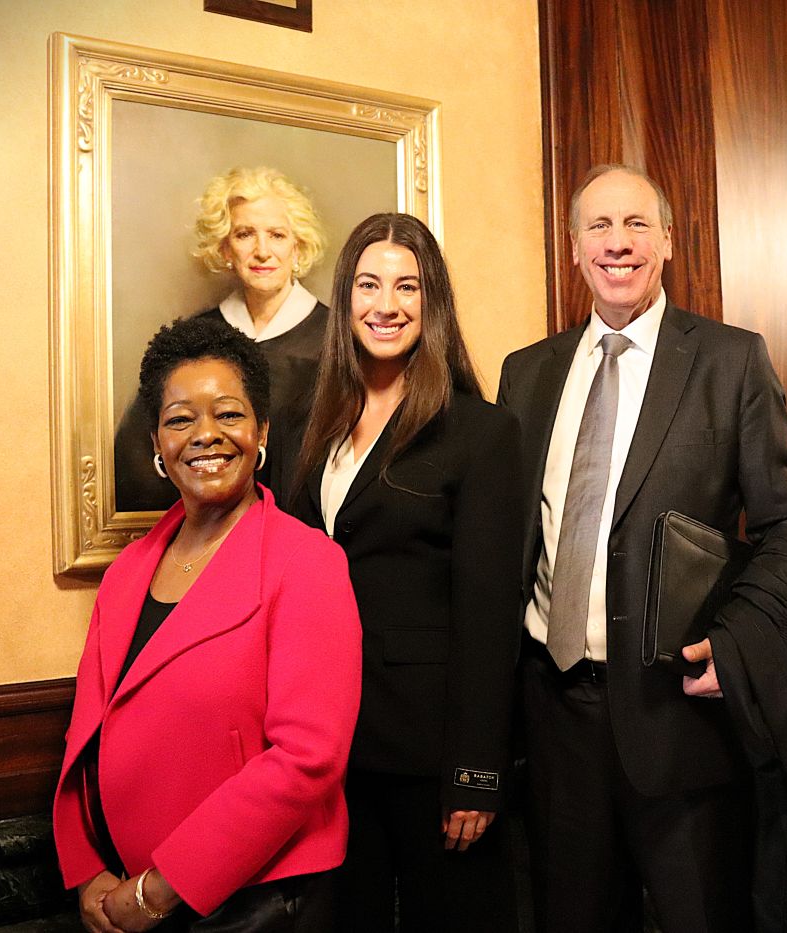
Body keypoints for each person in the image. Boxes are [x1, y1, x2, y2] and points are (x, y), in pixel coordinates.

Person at [497, 165, 787, 933]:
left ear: (669, 242)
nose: (618, 243)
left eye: (637, 225)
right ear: (572, 246)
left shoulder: (729, 361)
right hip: (554, 720)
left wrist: (739, 638)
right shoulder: (527, 373)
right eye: (600, 227)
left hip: (679, 720)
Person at [54, 315, 361, 932]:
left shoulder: (307, 563)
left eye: (228, 414)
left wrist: (157, 892)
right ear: (155, 445)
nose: (206, 435)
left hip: (258, 903)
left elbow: (309, 758)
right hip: (125, 890)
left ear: (262, 430)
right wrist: (87, 870)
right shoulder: (126, 574)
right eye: (179, 419)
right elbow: (84, 736)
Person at [272, 213, 523, 932]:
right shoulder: (301, 422)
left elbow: (487, 613)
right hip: (323, 747)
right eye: (369, 284)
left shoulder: (480, 432)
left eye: (408, 286)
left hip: (431, 753)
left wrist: (475, 773)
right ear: (345, 298)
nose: (387, 304)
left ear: (432, 302)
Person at [114, 166, 330, 512]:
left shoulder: (337, 339)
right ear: (225, 249)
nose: (262, 251)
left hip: (304, 534)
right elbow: (139, 451)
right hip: (211, 535)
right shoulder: (195, 340)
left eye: (277, 235)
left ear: (298, 246)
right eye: (245, 234)